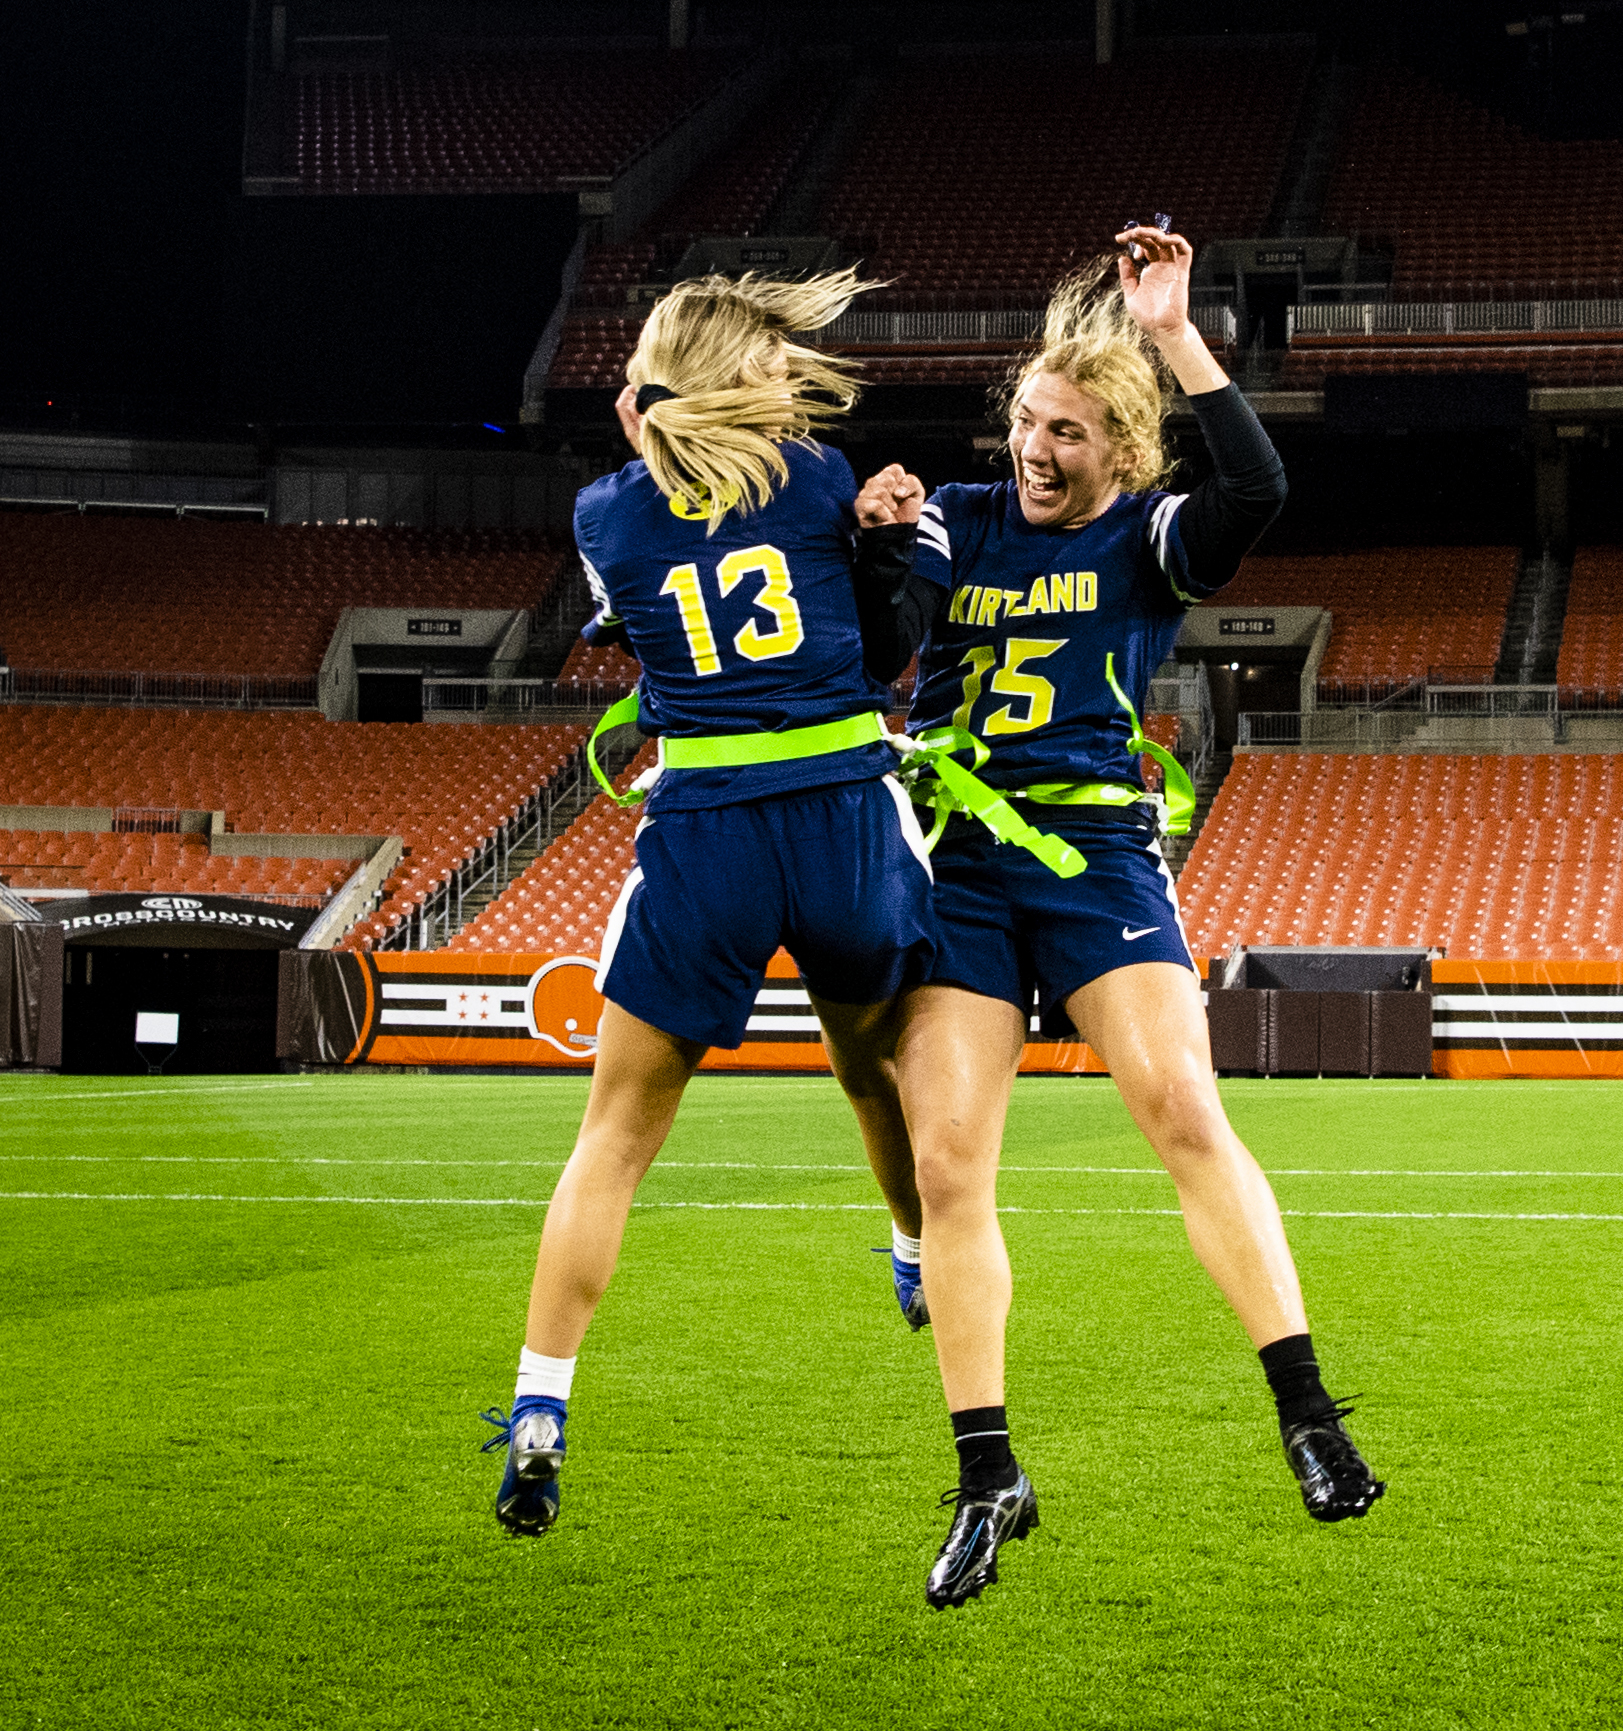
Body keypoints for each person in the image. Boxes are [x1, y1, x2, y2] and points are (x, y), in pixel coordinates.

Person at [852, 223, 1381, 1612]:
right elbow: (883, 639)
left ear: (1121, 449)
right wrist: (869, 535)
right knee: (951, 1163)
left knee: (1181, 1106)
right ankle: (987, 1477)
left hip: (1092, 853)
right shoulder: (955, 519)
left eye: (1069, 431)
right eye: (1028, 420)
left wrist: (1173, 332)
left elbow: (1258, 482)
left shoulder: (1148, 534)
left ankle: (1308, 1410)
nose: (1037, 447)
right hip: (958, 859)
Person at [487, 271, 940, 1544]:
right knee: (870, 1071)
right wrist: (882, 533)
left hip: (705, 824)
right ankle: (912, 1246)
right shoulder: (811, 477)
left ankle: (541, 1399)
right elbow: (877, 638)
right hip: (842, 802)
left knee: (614, 1138)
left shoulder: (601, 511)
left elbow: (633, 611)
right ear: (747, 373)